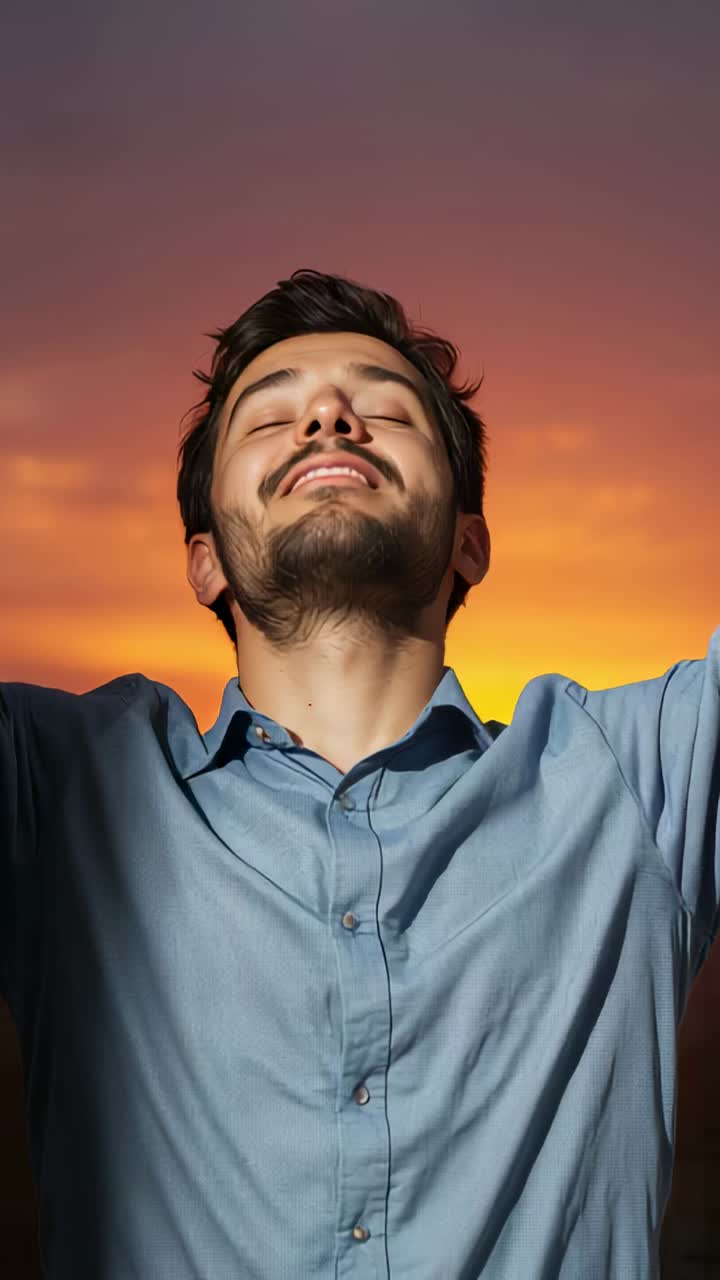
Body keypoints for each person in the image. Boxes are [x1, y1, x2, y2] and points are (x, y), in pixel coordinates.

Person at [0, 268, 717, 1280]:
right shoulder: (62, 790)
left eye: (383, 409)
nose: (330, 415)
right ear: (203, 559)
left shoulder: (638, 778)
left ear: (469, 542)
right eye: (271, 416)